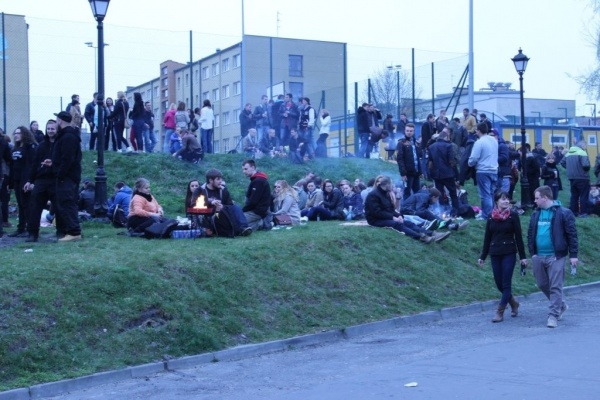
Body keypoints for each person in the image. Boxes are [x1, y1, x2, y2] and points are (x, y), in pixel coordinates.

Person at [528, 185, 579, 328]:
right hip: (539, 256)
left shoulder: (564, 213)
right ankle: (561, 305)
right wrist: (533, 253)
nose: (535, 201)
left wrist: (573, 255)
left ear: (545, 198)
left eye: (537, 198)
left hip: (557, 256)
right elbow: (531, 232)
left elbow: (572, 235)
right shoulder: (536, 213)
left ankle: (553, 316)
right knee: (542, 284)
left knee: (556, 286)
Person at [478, 191, 528, 323]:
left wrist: (523, 257)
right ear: (496, 202)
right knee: (499, 283)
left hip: (509, 252)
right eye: (503, 199)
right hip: (495, 253)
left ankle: (499, 312)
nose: (506, 202)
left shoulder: (513, 215)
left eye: (507, 199)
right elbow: (487, 238)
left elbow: (518, 237)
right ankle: (514, 303)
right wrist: (483, 256)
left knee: (506, 284)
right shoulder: (491, 216)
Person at [364, 175, 450, 244]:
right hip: (375, 220)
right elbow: (376, 212)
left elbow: (390, 209)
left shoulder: (386, 194)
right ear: (386, 184)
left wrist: (399, 216)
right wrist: (393, 218)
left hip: (385, 217)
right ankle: (421, 237)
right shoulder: (373, 195)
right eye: (391, 183)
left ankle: (432, 234)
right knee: (396, 224)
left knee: (409, 223)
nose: (392, 185)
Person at [192, 168, 252, 236]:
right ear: (211, 180)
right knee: (220, 211)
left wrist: (222, 206)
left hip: (221, 213)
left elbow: (229, 204)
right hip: (208, 216)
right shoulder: (200, 190)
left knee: (236, 207)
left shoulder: (223, 190)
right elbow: (194, 204)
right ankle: (235, 230)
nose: (221, 181)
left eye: (221, 179)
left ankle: (243, 228)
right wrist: (211, 203)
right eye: (218, 179)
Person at [52, 111, 82, 242]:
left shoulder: (68, 136)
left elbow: (67, 158)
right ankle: (70, 231)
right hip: (68, 175)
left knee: (67, 203)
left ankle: (73, 232)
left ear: (59, 120)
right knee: (66, 203)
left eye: (56, 120)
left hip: (67, 177)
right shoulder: (68, 135)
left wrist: (60, 174)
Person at [7, 126, 37, 238]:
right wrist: (10, 183)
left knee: (27, 205)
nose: (16, 135)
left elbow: (32, 165)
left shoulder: (30, 147)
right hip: (16, 179)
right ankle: (21, 228)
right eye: (15, 133)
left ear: (24, 134)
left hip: (25, 180)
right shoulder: (15, 148)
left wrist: (30, 180)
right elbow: (12, 165)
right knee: (21, 204)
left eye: (19, 133)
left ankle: (31, 229)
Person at [468, 122, 498, 220]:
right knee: (491, 194)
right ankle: (490, 213)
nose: (475, 131)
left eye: (476, 130)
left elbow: (474, 158)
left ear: (479, 131)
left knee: (485, 195)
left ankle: (486, 216)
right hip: (494, 170)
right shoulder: (494, 140)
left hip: (483, 170)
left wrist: (469, 163)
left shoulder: (479, 142)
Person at [427, 130, 458, 216]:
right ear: (445, 137)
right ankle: (455, 212)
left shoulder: (431, 147)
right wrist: (456, 173)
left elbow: (430, 162)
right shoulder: (449, 146)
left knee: (439, 193)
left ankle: (442, 211)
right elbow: (451, 161)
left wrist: (430, 173)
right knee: (453, 193)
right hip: (448, 174)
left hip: (436, 174)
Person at [560, 140, 591, 217]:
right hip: (582, 177)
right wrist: (586, 170)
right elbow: (586, 165)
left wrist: (569, 168)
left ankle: (573, 212)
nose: (585, 147)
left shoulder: (568, 153)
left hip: (572, 177)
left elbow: (562, 163)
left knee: (574, 196)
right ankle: (583, 213)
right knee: (583, 196)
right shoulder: (582, 152)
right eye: (585, 145)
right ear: (582, 145)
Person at [242, 159, 272, 231]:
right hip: (257, 210)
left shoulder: (258, 181)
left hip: (257, 211)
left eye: (246, 169)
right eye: (243, 169)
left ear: (253, 167)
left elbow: (253, 201)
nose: (244, 171)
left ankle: (263, 223)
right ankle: (261, 223)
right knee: (241, 223)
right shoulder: (257, 180)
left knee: (238, 220)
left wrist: (242, 211)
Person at [396, 123, 423, 199]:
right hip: (407, 172)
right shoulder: (401, 143)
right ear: (404, 131)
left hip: (416, 172)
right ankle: (405, 209)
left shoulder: (415, 142)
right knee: (407, 192)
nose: (409, 132)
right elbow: (399, 159)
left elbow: (418, 158)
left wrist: (420, 171)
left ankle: (416, 209)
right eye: (407, 130)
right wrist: (403, 173)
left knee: (417, 192)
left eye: (411, 131)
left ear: (414, 131)